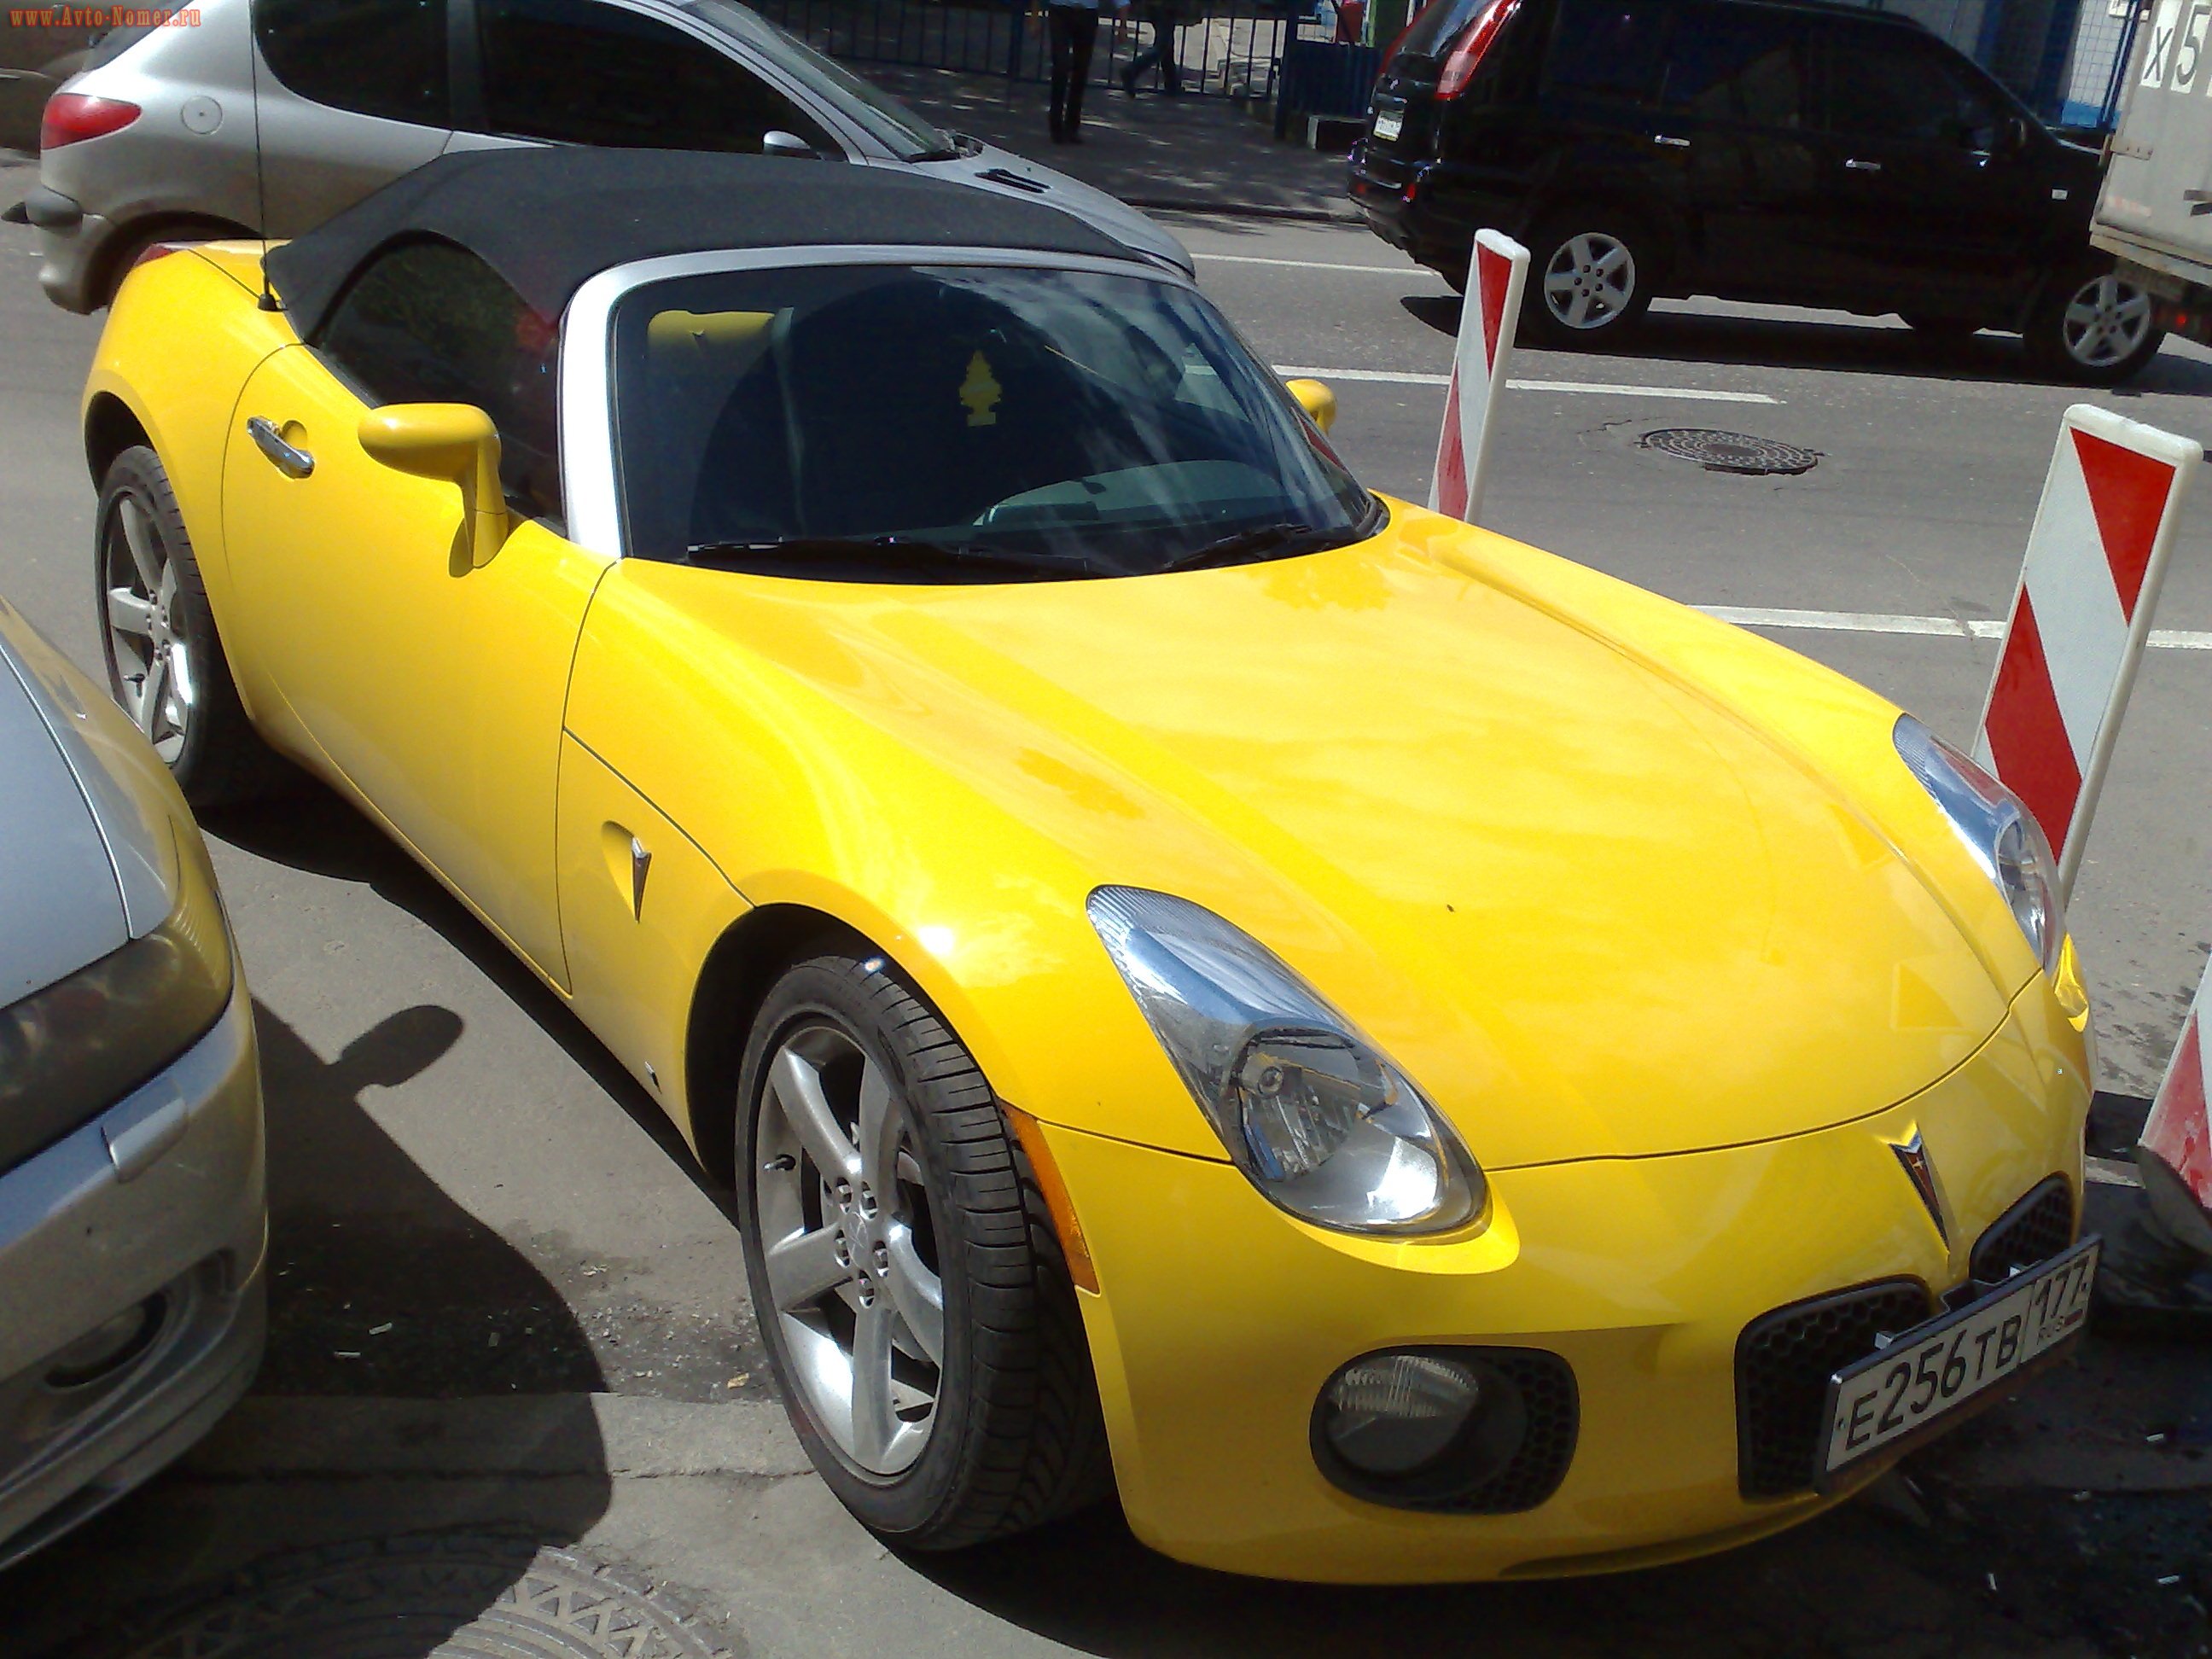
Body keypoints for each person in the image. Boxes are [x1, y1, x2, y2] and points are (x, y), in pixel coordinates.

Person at [1047, 0, 1122, 143]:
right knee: (1061, 66)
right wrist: (1034, 17)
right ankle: (1055, 123)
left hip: (1087, 13)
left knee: (1081, 70)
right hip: (1060, 9)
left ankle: (1072, 126)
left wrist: (1122, 23)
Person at [1121, 0, 1185, 96]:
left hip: (1156, 6)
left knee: (1166, 44)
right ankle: (1132, 70)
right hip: (1164, 7)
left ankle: (1172, 84)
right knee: (1162, 46)